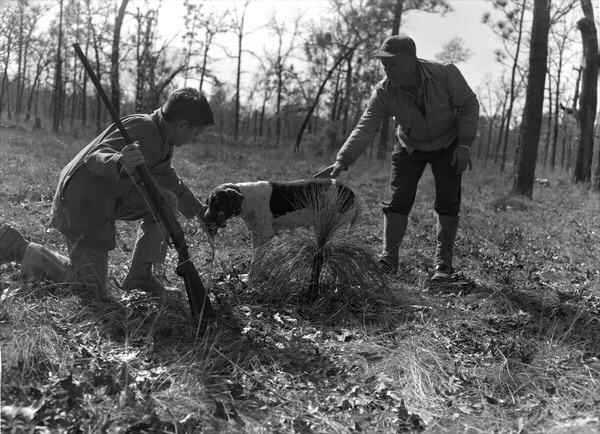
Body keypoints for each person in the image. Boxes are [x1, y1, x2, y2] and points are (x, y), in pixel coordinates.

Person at [0, 87, 213, 296]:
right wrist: (119, 162)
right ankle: (15, 245)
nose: (194, 140)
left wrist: (201, 212)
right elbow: (96, 155)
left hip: (107, 197)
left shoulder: (163, 139)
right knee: (90, 286)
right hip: (81, 199)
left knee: (166, 199)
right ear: (182, 125)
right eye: (196, 133)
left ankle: (140, 276)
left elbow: (170, 180)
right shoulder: (143, 128)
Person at [314, 34, 480, 281]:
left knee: (448, 202)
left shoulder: (444, 74)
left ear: (412, 61)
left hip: (449, 145)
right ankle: (389, 261)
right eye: (385, 65)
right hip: (409, 147)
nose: (388, 70)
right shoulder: (384, 91)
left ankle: (443, 265)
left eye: (394, 64)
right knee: (397, 201)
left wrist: (464, 144)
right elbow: (367, 125)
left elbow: (468, 103)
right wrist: (343, 160)